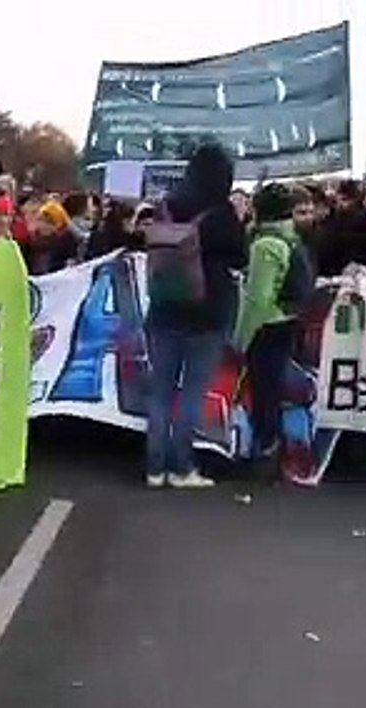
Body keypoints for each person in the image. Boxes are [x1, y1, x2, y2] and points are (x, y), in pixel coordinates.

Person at [143, 144, 248, 489]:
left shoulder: (168, 206)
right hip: (208, 312)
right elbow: (240, 257)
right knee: (191, 392)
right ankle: (182, 466)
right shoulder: (222, 214)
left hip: (164, 307)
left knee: (160, 390)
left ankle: (154, 467)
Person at [233, 184, 316, 462]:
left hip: (268, 325)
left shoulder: (265, 244)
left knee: (264, 392)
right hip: (288, 319)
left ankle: (266, 450)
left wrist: (242, 338)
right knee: (275, 387)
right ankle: (276, 447)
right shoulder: (291, 238)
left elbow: (259, 299)